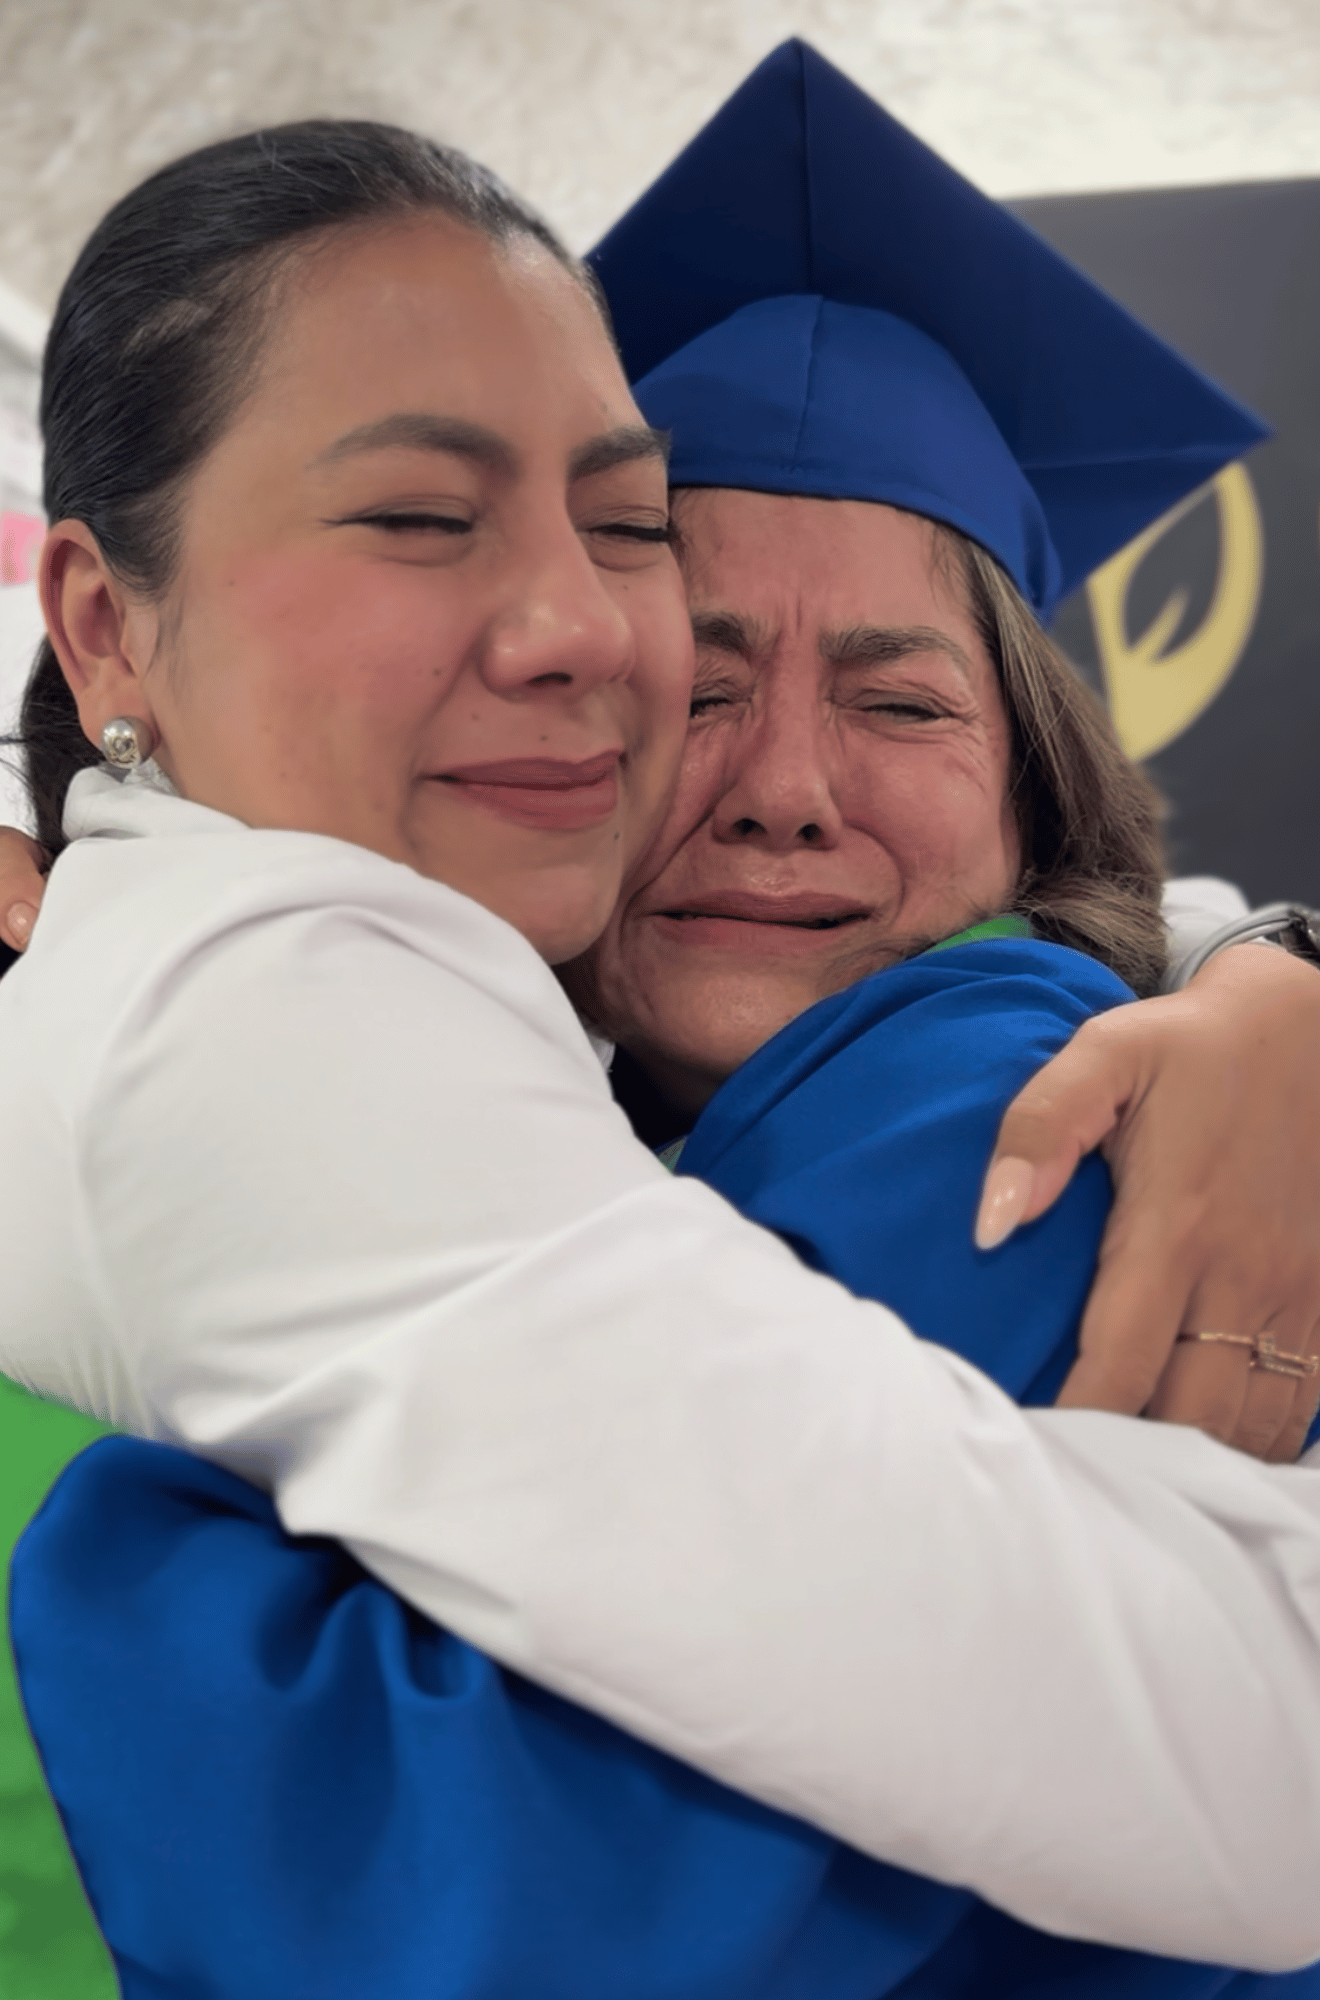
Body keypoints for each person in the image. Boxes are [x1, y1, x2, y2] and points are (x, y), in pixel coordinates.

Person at [2, 89, 1320, 1998]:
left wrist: (137, 1569)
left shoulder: (1016, 1104)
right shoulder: (496, 1110)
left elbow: (468, 1912)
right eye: (699, 680)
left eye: (904, 702)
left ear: (1035, 795)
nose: (787, 790)